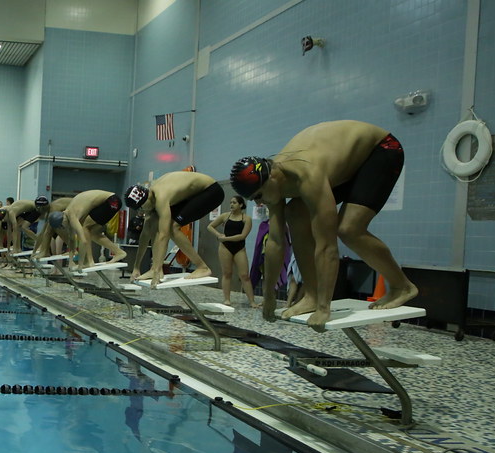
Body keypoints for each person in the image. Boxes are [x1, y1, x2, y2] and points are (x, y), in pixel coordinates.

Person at [229, 120, 418, 330]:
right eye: (254, 199)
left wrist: (324, 308)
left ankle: (402, 286)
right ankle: (311, 295)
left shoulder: (307, 175)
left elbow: (327, 245)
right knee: (295, 213)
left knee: (348, 229)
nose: (260, 203)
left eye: (259, 196)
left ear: (272, 177)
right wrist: (269, 295)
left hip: (380, 150)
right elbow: (274, 242)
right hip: (345, 165)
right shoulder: (272, 184)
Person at [124, 171, 222, 286]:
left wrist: (157, 272)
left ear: (145, 200)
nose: (142, 211)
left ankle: (202, 267)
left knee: (172, 228)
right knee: (154, 223)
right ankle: (154, 268)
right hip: (193, 194)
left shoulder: (161, 197)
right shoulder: (150, 197)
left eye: (141, 208)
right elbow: (145, 235)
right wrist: (136, 267)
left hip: (211, 191)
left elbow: (164, 236)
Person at [207, 196, 260, 307]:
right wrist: (218, 235)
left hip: (239, 248)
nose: (231, 204)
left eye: (234, 203)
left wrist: (226, 238)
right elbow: (210, 226)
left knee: (245, 275)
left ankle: (252, 301)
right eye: (231, 202)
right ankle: (227, 299)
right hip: (225, 248)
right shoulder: (225, 216)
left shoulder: (246, 219)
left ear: (241, 205)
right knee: (227, 273)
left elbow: (242, 236)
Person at [61, 190, 126, 269]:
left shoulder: (74, 213)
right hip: (114, 201)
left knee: (85, 227)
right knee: (93, 233)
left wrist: (80, 262)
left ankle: (89, 261)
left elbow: (82, 239)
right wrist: (71, 261)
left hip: (111, 201)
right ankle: (119, 252)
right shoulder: (70, 212)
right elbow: (71, 238)